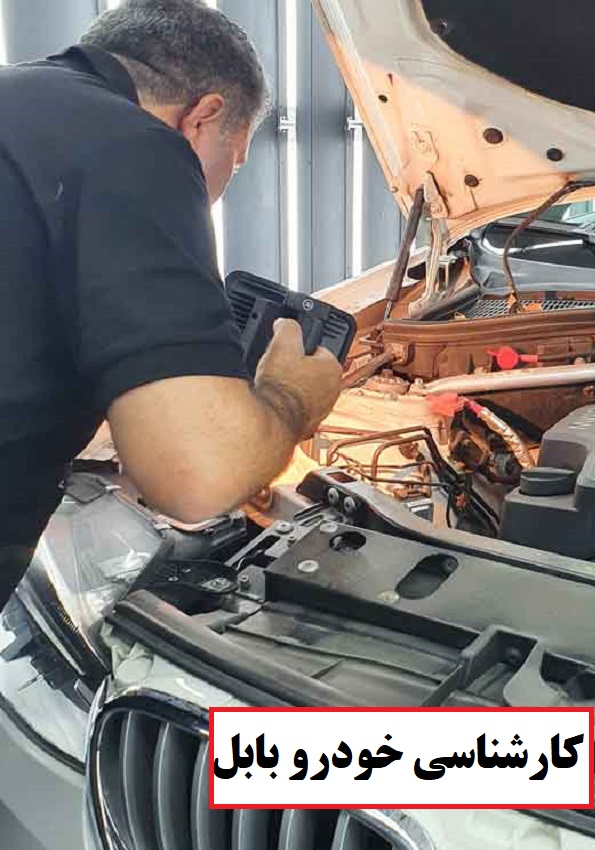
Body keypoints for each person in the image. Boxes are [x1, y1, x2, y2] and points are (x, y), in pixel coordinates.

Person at [0, 0, 343, 606]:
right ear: (203, 118)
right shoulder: (134, 145)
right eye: (233, 160)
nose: (214, 193)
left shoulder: (25, 105)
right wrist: (292, 397)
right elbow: (197, 477)